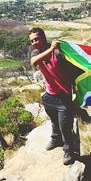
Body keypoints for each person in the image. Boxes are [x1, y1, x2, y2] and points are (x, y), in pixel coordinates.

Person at [29, 27, 78, 165]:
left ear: (44, 37)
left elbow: (72, 70)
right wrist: (49, 49)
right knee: (54, 121)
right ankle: (56, 139)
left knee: (65, 126)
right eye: (32, 40)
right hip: (50, 95)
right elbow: (33, 62)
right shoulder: (36, 52)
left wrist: (75, 90)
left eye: (37, 39)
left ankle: (68, 150)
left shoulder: (58, 52)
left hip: (63, 95)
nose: (34, 42)